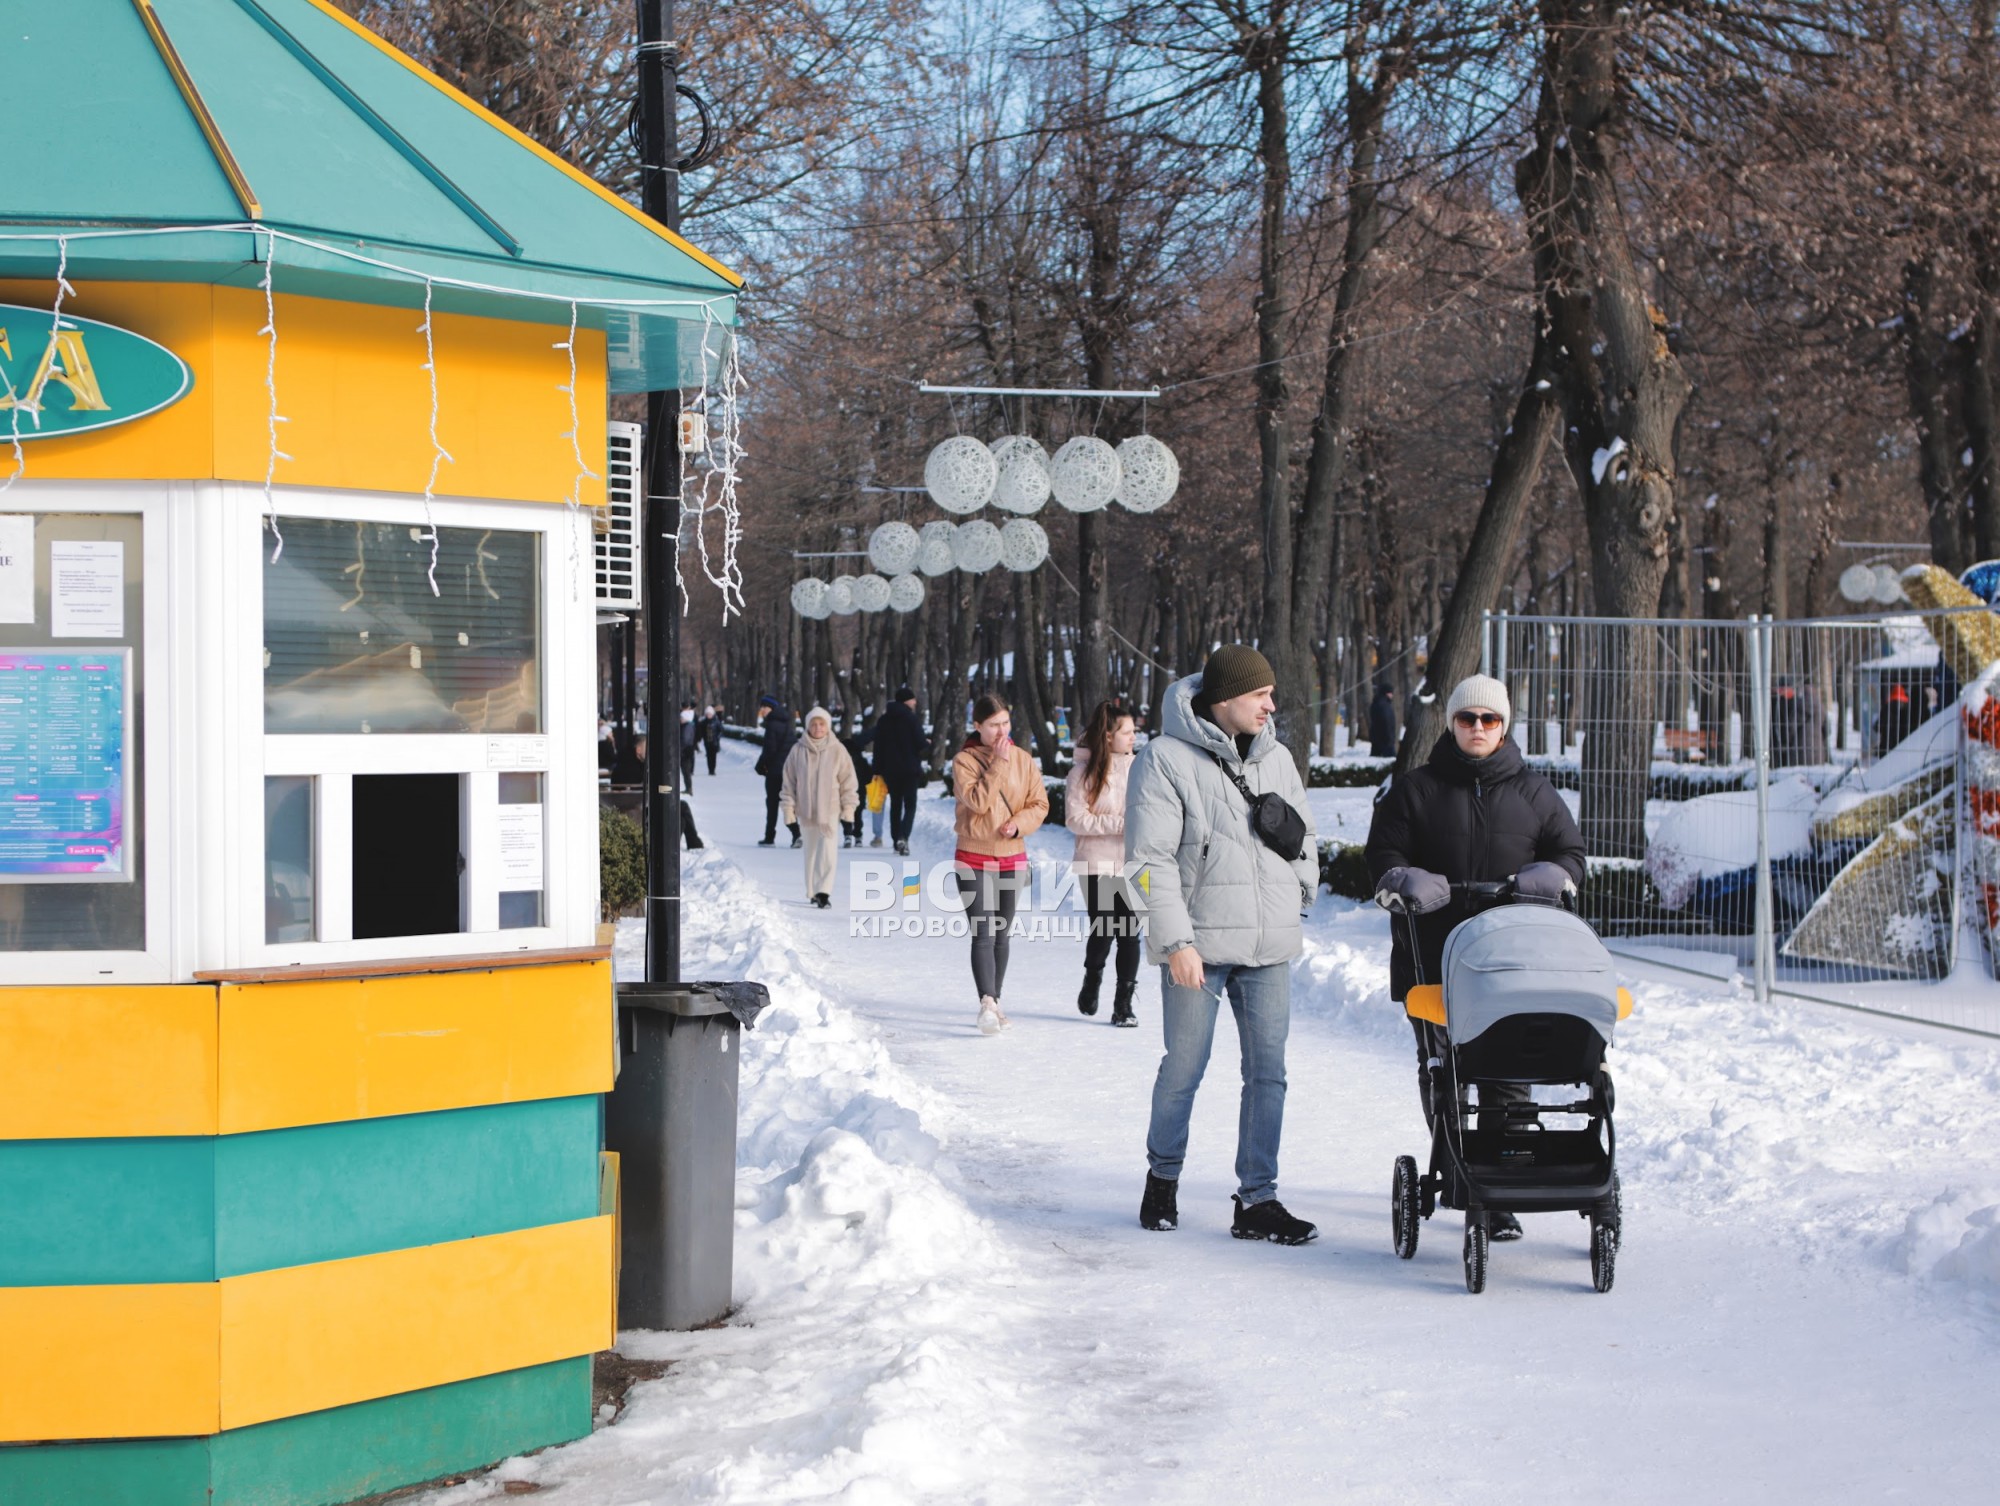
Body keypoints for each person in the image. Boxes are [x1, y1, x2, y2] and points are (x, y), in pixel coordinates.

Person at [1364, 672, 1586, 1243]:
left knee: (1508, 1069)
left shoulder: (1535, 793)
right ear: (1452, 724)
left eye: (1490, 720)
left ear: (1504, 725)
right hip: (1431, 957)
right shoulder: (1414, 789)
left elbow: (1570, 852)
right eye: (1468, 719)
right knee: (1444, 1070)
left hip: (1514, 961)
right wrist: (1402, 876)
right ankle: (1458, 1168)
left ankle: (1502, 1186)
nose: (1479, 728)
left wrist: (1552, 875)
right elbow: (1382, 853)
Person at [1126, 646, 1320, 1244]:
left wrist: (1299, 894)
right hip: (1200, 949)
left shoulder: (1277, 757)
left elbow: (1303, 834)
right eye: (1260, 694)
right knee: (1184, 1068)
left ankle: (1258, 1199)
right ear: (1226, 697)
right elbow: (1147, 862)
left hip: (1269, 947)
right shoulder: (1164, 759)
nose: (1271, 704)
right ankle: (1162, 1179)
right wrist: (1175, 941)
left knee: (1269, 1075)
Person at [953, 694, 1049, 1035]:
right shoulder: (964, 761)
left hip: (1012, 857)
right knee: (982, 933)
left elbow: (1039, 803)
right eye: (993, 725)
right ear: (977, 726)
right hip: (972, 857)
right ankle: (987, 1003)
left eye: (1005, 723)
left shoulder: (1023, 759)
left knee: (1001, 934)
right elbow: (978, 802)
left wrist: (1019, 824)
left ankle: (995, 1000)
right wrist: (997, 762)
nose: (1001, 730)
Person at [1066, 699, 1142, 1027]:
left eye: (1134, 731)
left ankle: (1123, 1005)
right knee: (1106, 927)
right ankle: (1092, 978)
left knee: (1131, 933)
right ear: (1109, 736)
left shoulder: (1142, 768)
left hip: (1134, 863)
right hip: (1094, 863)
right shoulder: (1082, 772)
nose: (1134, 737)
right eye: (1127, 731)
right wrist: (1119, 823)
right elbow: (1075, 819)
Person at [781, 707, 858, 908]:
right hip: (806, 811)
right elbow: (788, 783)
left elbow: (849, 781)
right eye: (814, 724)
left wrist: (848, 809)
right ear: (807, 726)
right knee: (811, 852)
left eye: (822, 724)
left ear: (828, 726)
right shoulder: (797, 750)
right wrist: (788, 809)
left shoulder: (837, 749)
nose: (818, 728)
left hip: (830, 810)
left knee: (828, 851)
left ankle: (824, 891)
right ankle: (813, 891)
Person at [871, 686, 928, 856]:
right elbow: (920, 743)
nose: (915, 702)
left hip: (890, 770)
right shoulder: (911, 719)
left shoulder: (883, 720)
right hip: (909, 770)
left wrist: (877, 769)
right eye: (912, 699)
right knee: (910, 805)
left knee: (895, 804)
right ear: (906, 701)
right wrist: (927, 743)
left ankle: (896, 840)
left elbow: (878, 747)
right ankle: (904, 836)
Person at [754, 696, 800, 847]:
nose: (762, 710)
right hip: (789, 771)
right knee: (787, 803)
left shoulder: (772, 725)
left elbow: (770, 750)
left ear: (771, 708)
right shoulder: (787, 724)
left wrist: (760, 765)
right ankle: (796, 834)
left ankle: (770, 837)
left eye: (764, 707)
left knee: (772, 803)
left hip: (775, 771)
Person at [839, 720, 874, 849]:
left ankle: (847, 834)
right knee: (858, 814)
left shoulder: (840, 763)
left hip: (844, 792)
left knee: (845, 812)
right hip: (859, 792)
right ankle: (858, 836)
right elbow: (869, 777)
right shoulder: (862, 761)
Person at [1369, 680, 1398, 758]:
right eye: (1390, 693)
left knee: (1375, 760)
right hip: (1385, 740)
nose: (1392, 695)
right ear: (1386, 693)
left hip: (1377, 739)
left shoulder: (1377, 702)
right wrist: (1390, 739)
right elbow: (1386, 722)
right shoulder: (1383, 705)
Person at [697, 704, 723, 775]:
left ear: (712, 714)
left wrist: (718, 737)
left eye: (710, 714)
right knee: (708, 756)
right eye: (707, 714)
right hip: (707, 742)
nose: (708, 715)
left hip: (714, 742)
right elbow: (700, 731)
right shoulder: (703, 722)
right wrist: (701, 737)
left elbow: (720, 730)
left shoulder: (716, 721)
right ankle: (710, 769)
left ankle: (713, 769)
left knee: (713, 756)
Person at [679, 702, 699, 789]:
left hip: (685, 750)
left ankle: (688, 787)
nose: (680, 719)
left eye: (681, 718)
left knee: (685, 770)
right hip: (687, 750)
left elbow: (685, 740)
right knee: (685, 770)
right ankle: (688, 787)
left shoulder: (687, 727)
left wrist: (680, 749)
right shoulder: (688, 725)